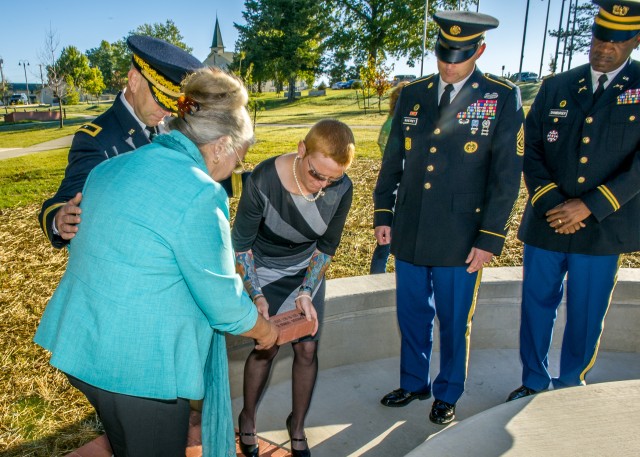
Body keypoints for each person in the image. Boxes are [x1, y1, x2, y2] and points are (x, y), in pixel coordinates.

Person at [34, 68, 279, 457]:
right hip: (139, 369)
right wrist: (266, 333)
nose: (235, 169)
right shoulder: (199, 192)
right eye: (240, 157)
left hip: (84, 346)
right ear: (219, 145)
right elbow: (223, 303)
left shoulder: (112, 166)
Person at [373, 10, 524, 425]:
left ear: (480, 50)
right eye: (442, 54)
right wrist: (383, 212)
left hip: (462, 235)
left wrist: (490, 237)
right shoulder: (414, 93)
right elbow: (393, 162)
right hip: (410, 228)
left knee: (454, 319)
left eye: (457, 56)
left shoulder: (499, 96)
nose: (447, 64)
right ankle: (413, 382)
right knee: (412, 314)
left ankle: (448, 390)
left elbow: (506, 177)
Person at [507, 0, 640, 402]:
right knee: (536, 307)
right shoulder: (557, 86)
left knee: (586, 312)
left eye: (616, 41)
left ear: (634, 40)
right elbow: (529, 148)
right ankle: (533, 380)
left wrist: (591, 205)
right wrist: (551, 203)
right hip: (547, 222)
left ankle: (569, 387)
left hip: (603, 226)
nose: (604, 47)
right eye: (600, 37)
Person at [232, 119, 355, 457]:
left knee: (307, 350)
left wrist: (306, 290)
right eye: (318, 174)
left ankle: (297, 426)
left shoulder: (343, 188)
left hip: (306, 270)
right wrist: (256, 294)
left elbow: (326, 247)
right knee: (266, 347)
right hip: (264, 271)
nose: (324, 186)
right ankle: (248, 418)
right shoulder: (262, 181)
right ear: (302, 150)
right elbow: (241, 245)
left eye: (334, 178)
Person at [370, 81, 408, 274]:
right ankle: (377, 278)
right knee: (386, 242)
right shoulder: (398, 125)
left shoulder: (390, 121)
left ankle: (377, 276)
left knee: (384, 243)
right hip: (397, 190)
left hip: (391, 187)